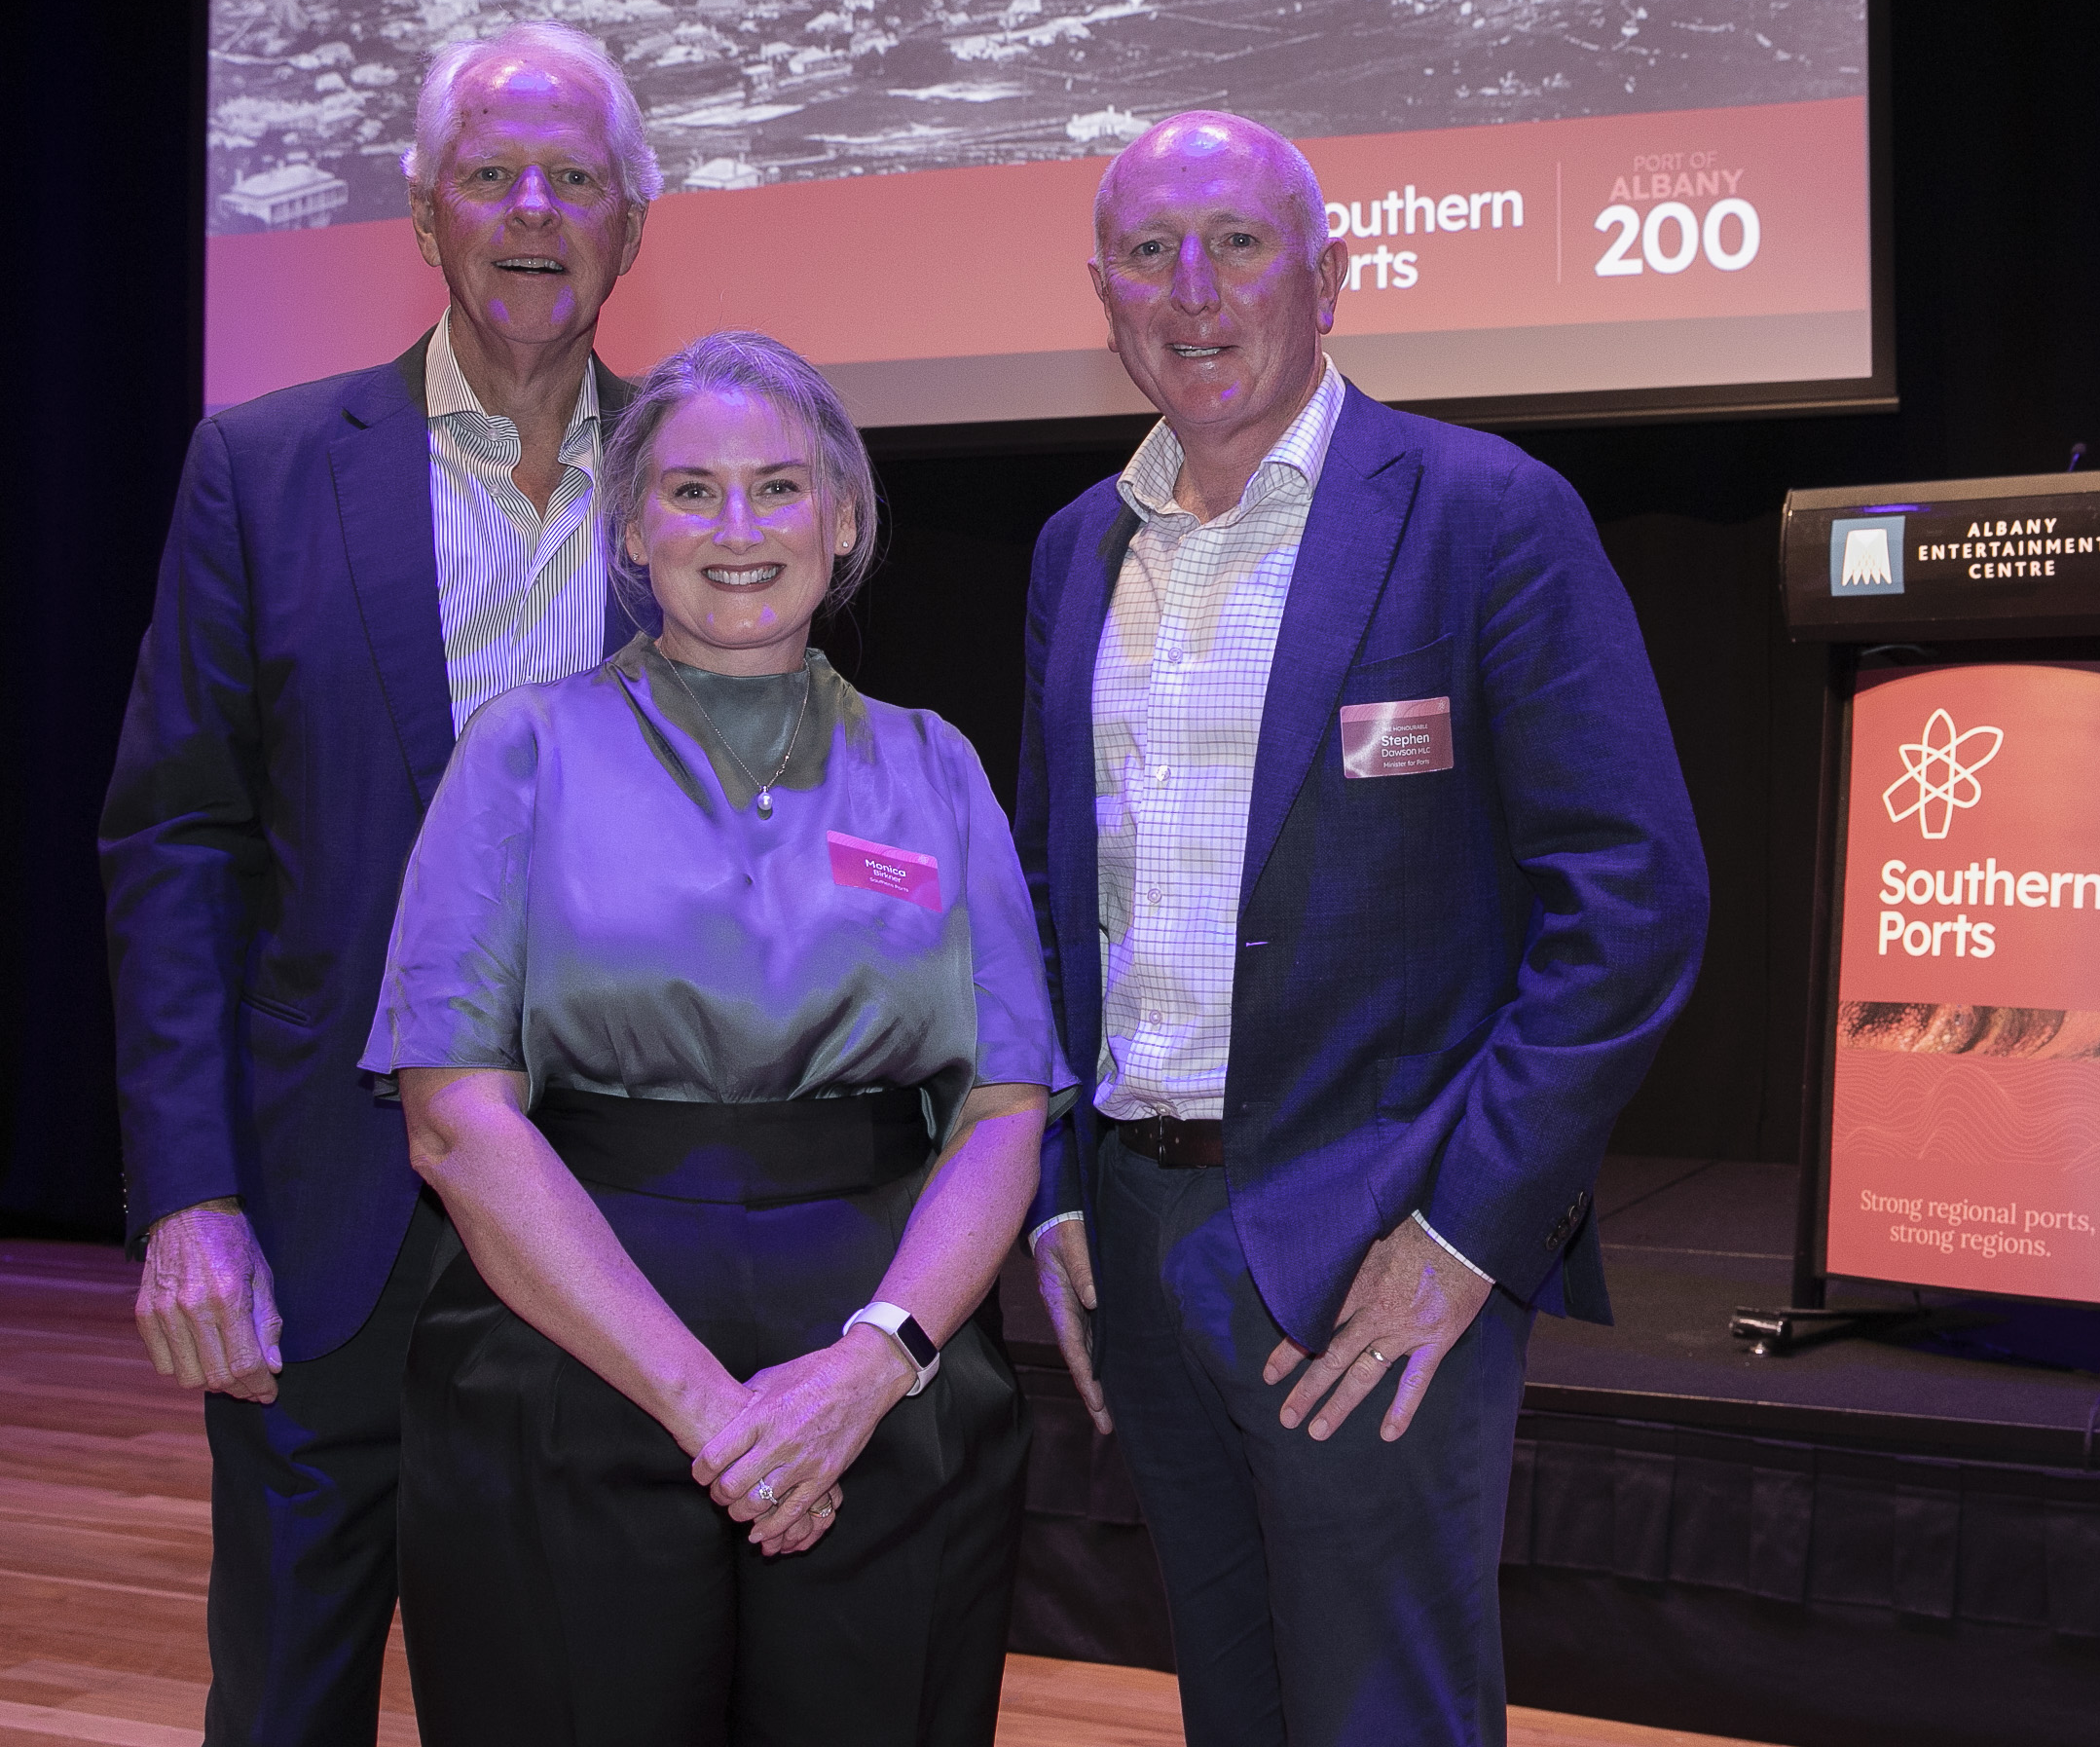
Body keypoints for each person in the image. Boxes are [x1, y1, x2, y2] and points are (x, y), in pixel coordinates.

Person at [1018, 112, 1709, 1745]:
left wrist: (1469, 1233)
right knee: (1232, 1705)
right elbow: (1062, 904)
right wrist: (1055, 1195)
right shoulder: (1075, 548)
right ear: (1101, 295)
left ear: (1331, 276)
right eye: (1147, 252)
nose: (1193, 292)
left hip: (1375, 1236)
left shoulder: (1482, 512)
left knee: (1380, 1716)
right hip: (1135, 1228)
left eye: (1239, 244)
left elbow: (1631, 897)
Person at [362, 330, 1074, 1745]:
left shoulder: (936, 767)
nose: (737, 529)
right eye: (690, 491)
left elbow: (1005, 1111)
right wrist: (715, 1412)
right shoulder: (521, 752)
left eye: (780, 488)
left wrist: (870, 1365)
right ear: (630, 527)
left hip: (881, 1378)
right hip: (569, 1351)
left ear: (846, 519)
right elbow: (453, 1118)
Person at [101, 19, 659, 1744]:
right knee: (286, 1701)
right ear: (422, 212)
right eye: (490, 172)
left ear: (634, 219)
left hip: (615, 1215)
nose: (532, 208)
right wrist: (188, 1196)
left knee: (578, 1701)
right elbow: (174, 842)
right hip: (319, 1208)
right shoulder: (263, 470)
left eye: (574, 175)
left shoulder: (707, 486)